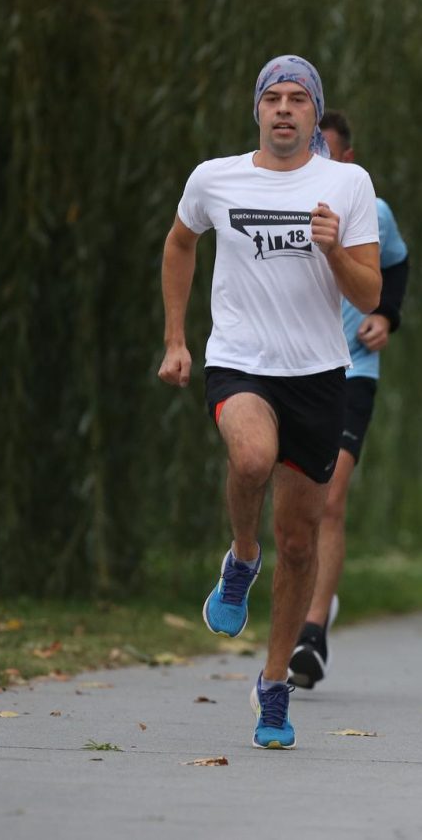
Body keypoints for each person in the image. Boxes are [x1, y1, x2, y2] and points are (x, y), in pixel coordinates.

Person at [157, 56, 381, 749]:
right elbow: (179, 243)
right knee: (251, 459)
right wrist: (175, 339)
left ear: (317, 115)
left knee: (301, 541)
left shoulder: (347, 183)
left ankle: (275, 683)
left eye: (298, 100)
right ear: (257, 110)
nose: (284, 109)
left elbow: (370, 293)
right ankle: (241, 557)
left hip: (319, 374)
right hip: (240, 361)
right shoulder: (215, 178)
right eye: (273, 99)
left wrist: (334, 250)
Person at [287, 111, 410, 690]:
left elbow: (396, 267)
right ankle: (310, 596)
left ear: (348, 160)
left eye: (329, 156)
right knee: (296, 504)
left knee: (331, 498)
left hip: (352, 368)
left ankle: (312, 632)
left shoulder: (372, 211)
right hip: (290, 369)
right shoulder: (274, 200)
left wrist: (387, 316)